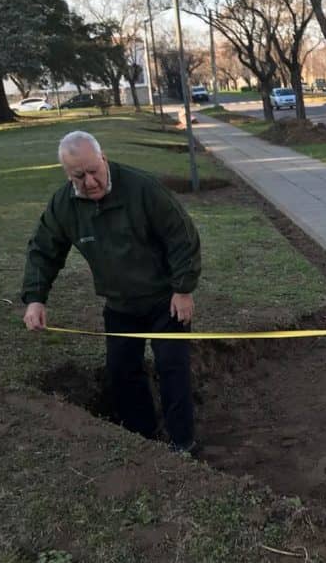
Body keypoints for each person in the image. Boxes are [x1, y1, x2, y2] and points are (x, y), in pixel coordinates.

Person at [21, 131, 202, 454]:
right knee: (121, 372)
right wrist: (36, 298)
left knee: (172, 369)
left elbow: (181, 237)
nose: (89, 181)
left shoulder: (143, 189)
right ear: (67, 174)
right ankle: (142, 438)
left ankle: (182, 443)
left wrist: (183, 289)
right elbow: (43, 250)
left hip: (165, 301)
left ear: (103, 159)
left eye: (94, 171)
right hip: (120, 305)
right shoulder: (64, 205)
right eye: (79, 176)